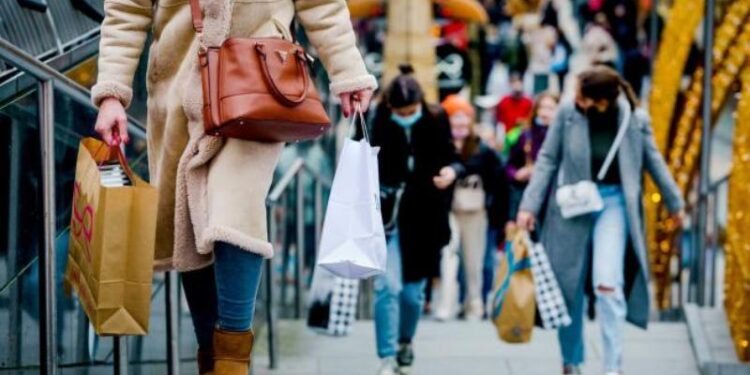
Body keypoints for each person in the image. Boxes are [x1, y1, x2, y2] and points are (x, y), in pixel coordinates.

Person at [92, 1, 376, 373]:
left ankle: (233, 362)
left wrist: (349, 72)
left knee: (234, 207)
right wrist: (112, 94)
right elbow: (127, 10)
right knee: (188, 224)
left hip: (259, 81)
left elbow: (321, 4)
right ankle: (211, 357)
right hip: (178, 88)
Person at [516, 66, 684, 375]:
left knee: (607, 284)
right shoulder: (568, 114)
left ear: (602, 101)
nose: (575, 99)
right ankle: (572, 361)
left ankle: (612, 366)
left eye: (582, 96)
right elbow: (548, 158)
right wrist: (529, 205)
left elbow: (653, 161)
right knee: (570, 287)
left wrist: (675, 202)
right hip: (573, 204)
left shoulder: (634, 120)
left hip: (614, 203)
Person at [371, 65, 463, 375]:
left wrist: (451, 172)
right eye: (402, 111)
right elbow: (358, 159)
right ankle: (386, 357)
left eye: (412, 110)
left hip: (425, 218)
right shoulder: (378, 120)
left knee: (412, 294)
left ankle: (404, 342)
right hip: (385, 216)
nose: (407, 114)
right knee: (387, 286)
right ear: (390, 106)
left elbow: (452, 157)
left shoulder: (436, 119)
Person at [435, 95, 507, 321]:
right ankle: (447, 304)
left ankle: (473, 304)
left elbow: (496, 178)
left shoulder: (481, 149)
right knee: (448, 257)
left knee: (473, 262)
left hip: (476, 212)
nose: (460, 128)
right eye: (455, 123)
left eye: (464, 122)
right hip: (449, 211)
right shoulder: (441, 146)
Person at [506, 92, 559, 223]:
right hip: (531, 196)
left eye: (550, 108)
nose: (544, 113)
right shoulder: (526, 135)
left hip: (556, 197)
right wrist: (517, 174)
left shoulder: (564, 136)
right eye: (541, 107)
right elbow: (509, 165)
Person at [495, 71, 534, 153]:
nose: (516, 85)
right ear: (510, 84)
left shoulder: (528, 102)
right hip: (507, 140)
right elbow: (500, 123)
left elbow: (530, 122)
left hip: (522, 139)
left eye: (518, 82)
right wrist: (499, 140)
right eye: (513, 82)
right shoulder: (504, 101)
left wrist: (522, 123)